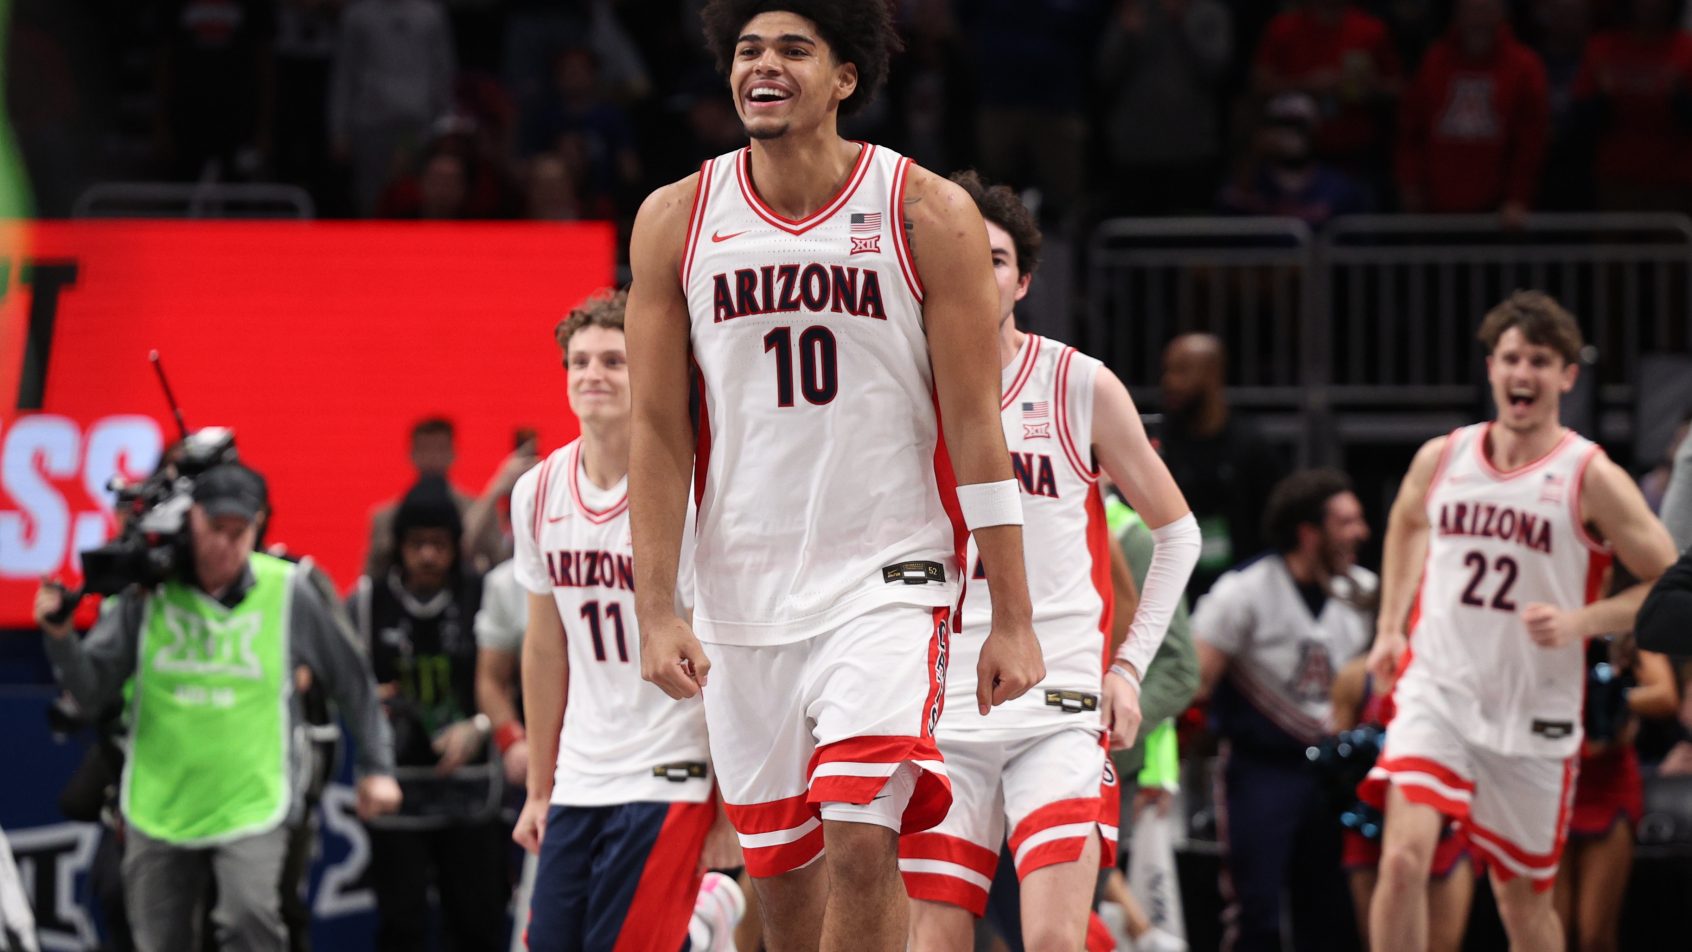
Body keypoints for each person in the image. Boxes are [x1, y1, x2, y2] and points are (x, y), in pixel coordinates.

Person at [624, 2, 1045, 948]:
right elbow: (657, 429)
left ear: (845, 77)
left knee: (862, 836)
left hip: (886, 575)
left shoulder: (925, 210)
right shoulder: (676, 218)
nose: (762, 67)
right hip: (743, 585)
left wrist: (1012, 613)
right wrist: (656, 605)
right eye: (746, 50)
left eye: (792, 50)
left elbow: (977, 424)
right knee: (781, 880)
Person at [897, 172, 1198, 952]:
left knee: (1057, 940)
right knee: (932, 942)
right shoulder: (901, 390)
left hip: (1058, 697)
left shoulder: (1076, 383)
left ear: (1024, 279)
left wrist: (1128, 669)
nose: (976, 273)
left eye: (995, 259)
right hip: (938, 705)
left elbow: (1178, 533)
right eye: (960, 257)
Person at [1363, 291, 1679, 952]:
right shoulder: (1443, 456)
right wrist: (1391, 627)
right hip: (1440, 691)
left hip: (1534, 711)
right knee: (1398, 862)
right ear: (1491, 368)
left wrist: (1583, 619)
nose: (1522, 373)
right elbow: (1406, 522)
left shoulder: (1589, 474)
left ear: (1567, 375)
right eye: (1511, 357)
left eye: (1539, 360)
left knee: (1524, 906)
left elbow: (1670, 580)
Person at [32, 462, 401, 952]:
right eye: (214, 529)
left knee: (250, 919)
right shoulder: (149, 591)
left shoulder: (288, 589)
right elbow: (94, 692)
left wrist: (378, 767)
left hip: (254, 798)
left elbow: (354, 681)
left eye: (239, 532)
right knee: (158, 939)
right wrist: (60, 639)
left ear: (258, 526)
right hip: (159, 801)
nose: (225, 545)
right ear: (191, 519)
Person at [510, 290, 742, 952]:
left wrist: (726, 806)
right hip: (582, 769)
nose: (592, 375)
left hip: (671, 764)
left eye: (613, 361)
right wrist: (538, 788)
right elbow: (545, 648)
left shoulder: (691, 491)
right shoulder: (538, 491)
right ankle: (695, 930)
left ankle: (703, 916)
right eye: (579, 362)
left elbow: (723, 650)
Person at [1193, 468, 1375, 952]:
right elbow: (1194, 682)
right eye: (1347, 522)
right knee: (1258, 912)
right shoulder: (1243, 592)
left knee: (1333, 914)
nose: (1362, 533)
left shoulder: (1367, 595)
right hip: (1261, 769)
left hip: (1338, 775)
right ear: (1308, 532)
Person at [349, 475, 509, 952]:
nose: (427, 556)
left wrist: (481, 726)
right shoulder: (365, 601)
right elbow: (331, 679)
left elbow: (521, 677)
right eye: (416, 544)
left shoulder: (483, 592)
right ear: (398, 546)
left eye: (439, 545)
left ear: (455, 547)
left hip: (471, 785)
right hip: (396, 788)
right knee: (402, 926)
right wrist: (364, 700)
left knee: (477, 920)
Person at [1330, 657, 1475, 952]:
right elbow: (1335, 758)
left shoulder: (1462, 674)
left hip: (1444, 820)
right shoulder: (1358, 677)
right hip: (1372, 826)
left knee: (1441, 943)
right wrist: (1362, 748)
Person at [1158, 333, 1287, 599]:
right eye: (1168, 370)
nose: (1169, 381)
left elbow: (1274, 524)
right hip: (1177, 589)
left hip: (1243, 590)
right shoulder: (1161, 444)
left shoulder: (1251, 444)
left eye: (1181, 370)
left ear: (1213, 373)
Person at [1395, 0, 1548, 224]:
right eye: (1471, 9)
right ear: (1458, 12)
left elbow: (1530, 141)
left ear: (1501, 12)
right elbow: (1410, 131)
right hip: (1435, 207)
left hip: (1499, 213)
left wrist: (1518, 197)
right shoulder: (1434, 60)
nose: (1479, 17)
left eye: (1486, 8)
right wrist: (1410, 183)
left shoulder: (1524, 67)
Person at [365, 417, 516, 578]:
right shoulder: (385, 517)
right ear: (412, 454)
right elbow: (370, 578)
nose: (433, 457)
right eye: (425, 449)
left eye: (440, 449)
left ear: (453, 453)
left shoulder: (483, 512)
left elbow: (502, 566)